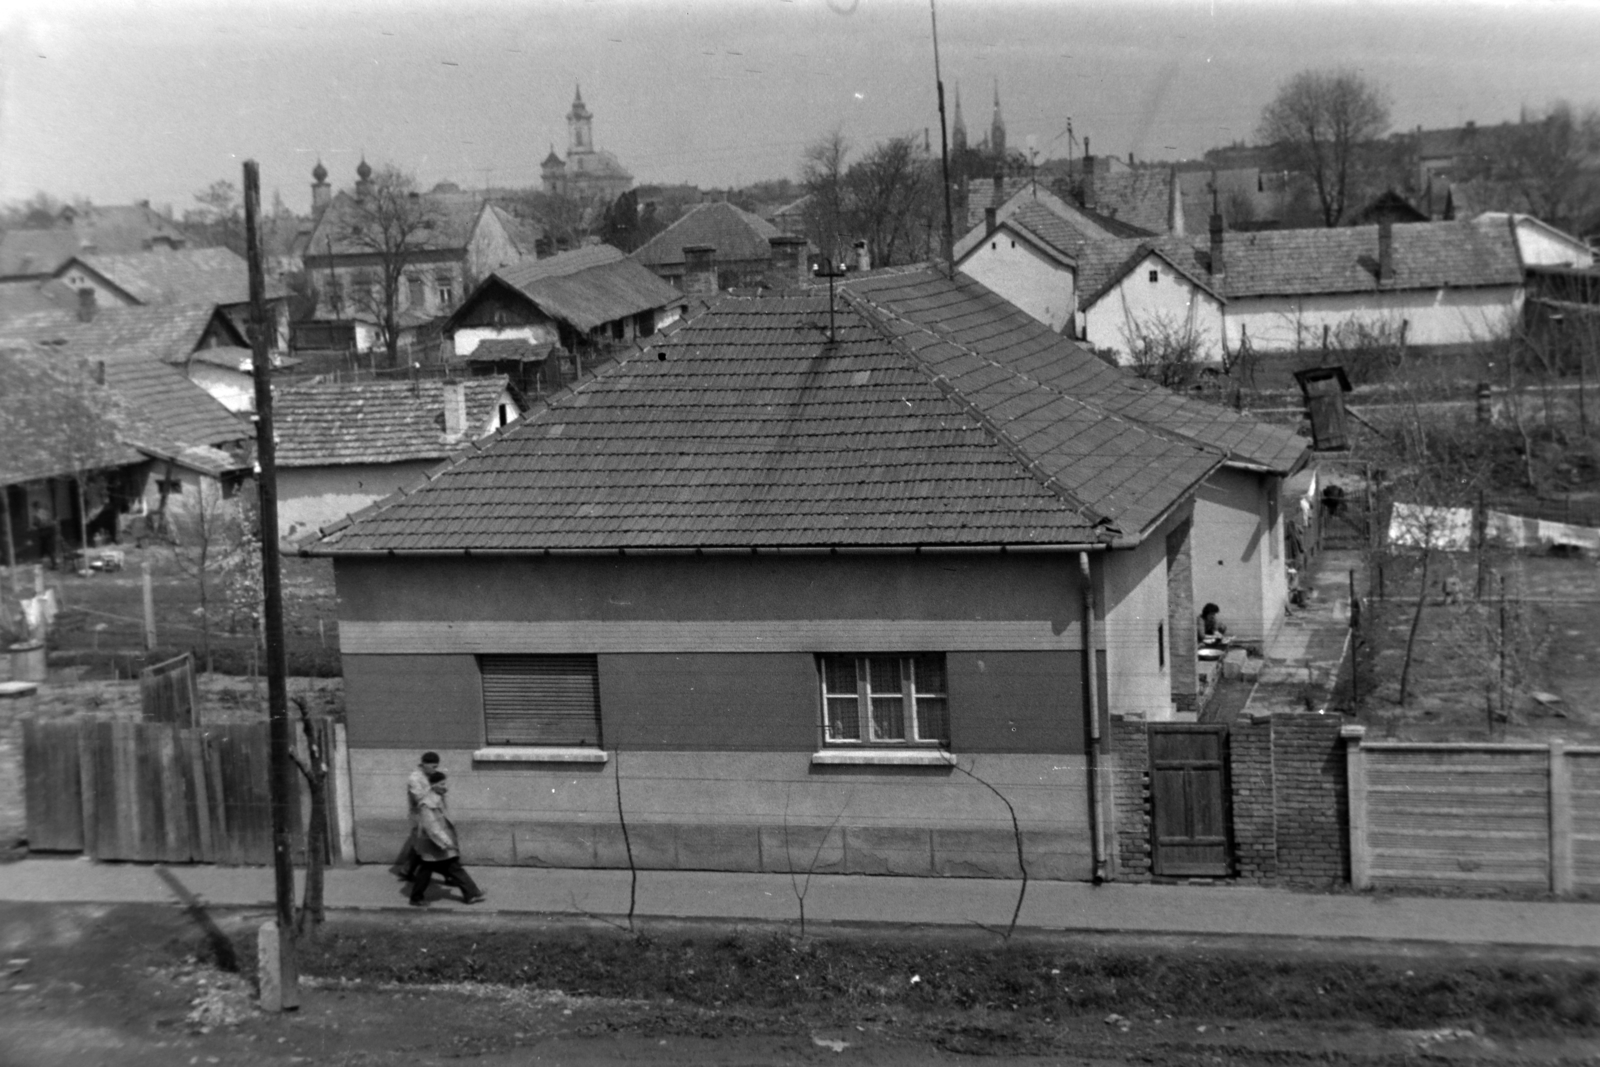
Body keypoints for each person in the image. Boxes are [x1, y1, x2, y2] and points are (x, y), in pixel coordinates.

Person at [409, 772, 485, 907]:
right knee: (429, 870)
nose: (445, 786)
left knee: (451, 868)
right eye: (442, 784)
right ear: (433, 785)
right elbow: (432, 827)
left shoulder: (439, 798)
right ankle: (416, 897)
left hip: (439, 844)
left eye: (445, 783)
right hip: (433, 844)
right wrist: (447, 842)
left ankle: (472, 893)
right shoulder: (426, 804)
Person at [390, 751, 440, 881]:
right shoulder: (415, 778)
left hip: (428, 814)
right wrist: (434, 789)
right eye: (433, 767)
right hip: (418, 815)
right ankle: (450, 875)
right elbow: (419, 798)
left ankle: (407, 870)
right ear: (425, 764)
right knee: (424, 844)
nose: (435, 770)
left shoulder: (428, 776)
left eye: (436, 767)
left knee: (420, 844)